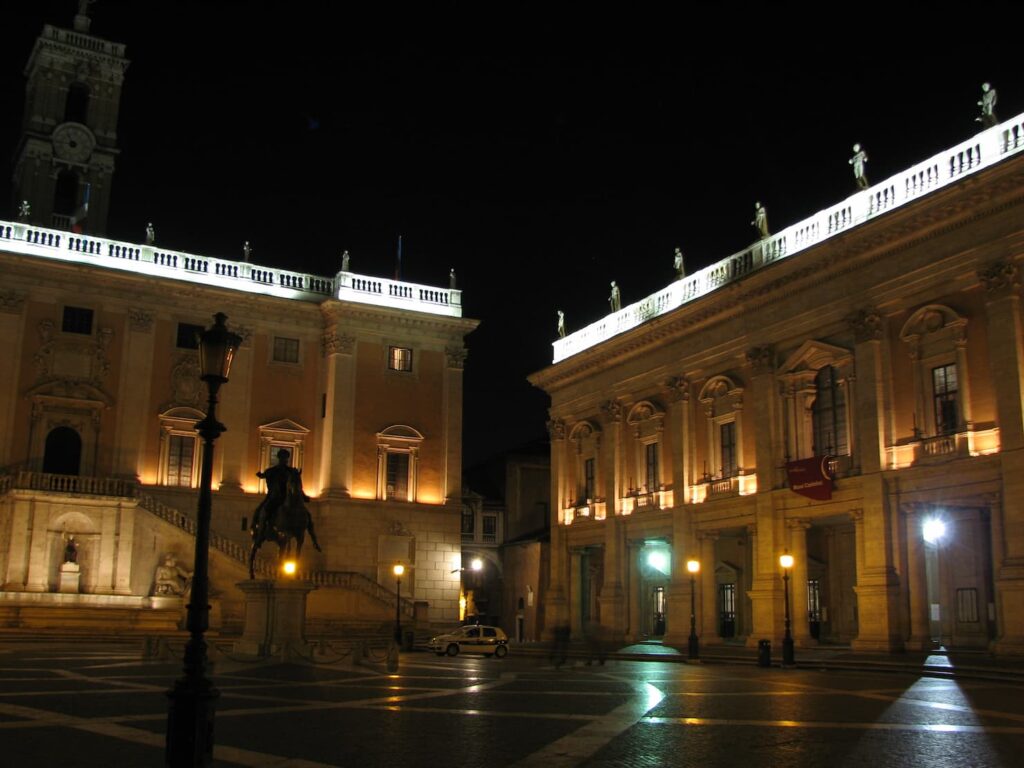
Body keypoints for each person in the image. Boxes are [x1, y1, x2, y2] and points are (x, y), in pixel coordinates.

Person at [252, 448, 309, 537]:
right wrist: (261, 475)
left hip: (287, 496)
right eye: (283, 458)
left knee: (305, 513)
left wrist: (303, 495)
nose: (285, 460)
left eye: (286, 458)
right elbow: (264, 475)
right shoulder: (272, 470)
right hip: (274, 497)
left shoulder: (291, 471)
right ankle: (259, 532)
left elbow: (297, 484)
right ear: (279, 458)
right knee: (262, 510)